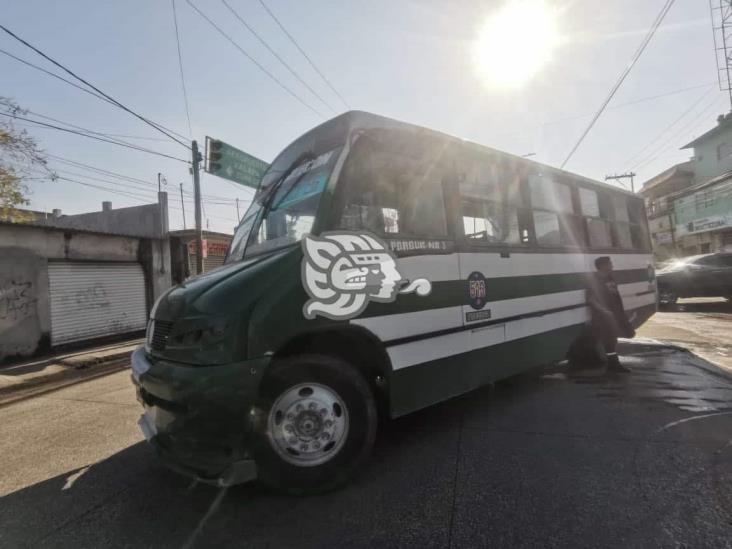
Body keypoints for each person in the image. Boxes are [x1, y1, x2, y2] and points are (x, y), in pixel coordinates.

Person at [587, 256, 635, 373]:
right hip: (604, 316)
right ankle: (613, 365)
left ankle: (613, 364)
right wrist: (604, 311)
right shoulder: (595, 279)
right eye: (610, 264)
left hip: (616, 312)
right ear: (603, 266)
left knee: (614, 338)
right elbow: (591, 299)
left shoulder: (609, 277)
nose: (612, 266)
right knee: (608, 339)